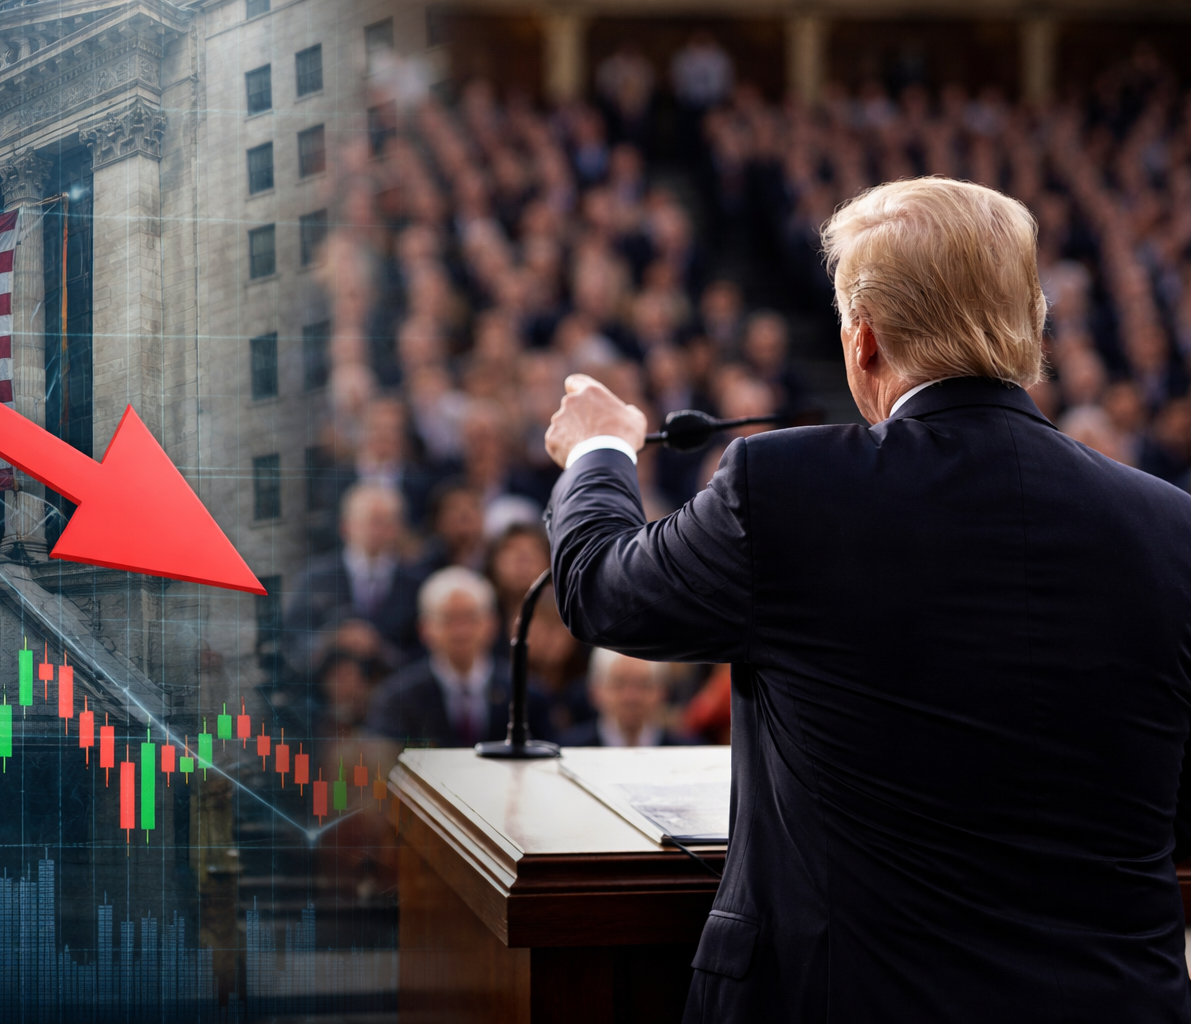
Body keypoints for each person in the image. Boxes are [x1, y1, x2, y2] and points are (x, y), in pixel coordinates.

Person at [542, 177, 1191, 1020]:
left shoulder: (788, 489)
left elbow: (601, 588)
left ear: (863, 341)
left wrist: (599, 448)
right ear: (1033, 329)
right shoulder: (1171, 526)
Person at [367, 566, 551, 748]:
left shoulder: (526, 694)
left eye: (471, 617)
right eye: (448, 619)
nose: (461, 631)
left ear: (491, 624)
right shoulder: (396, 700)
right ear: (424, 629)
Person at [283, 482, 425, 677]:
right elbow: (293, 637)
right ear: (346, 526)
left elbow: (424, 648)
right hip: (327, 692)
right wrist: (332, 640)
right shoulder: (315, 579)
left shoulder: (416, 582)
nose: (375, 530)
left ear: (397, 528)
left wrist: (382, 649)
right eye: (368, 521)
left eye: (384, 522)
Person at [559, 648, 692, 747]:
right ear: (595, 691)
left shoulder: (689, 753)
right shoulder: (568, 751)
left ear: (663, 691)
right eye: (619, 684)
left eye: (644, 685)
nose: (631, 697)